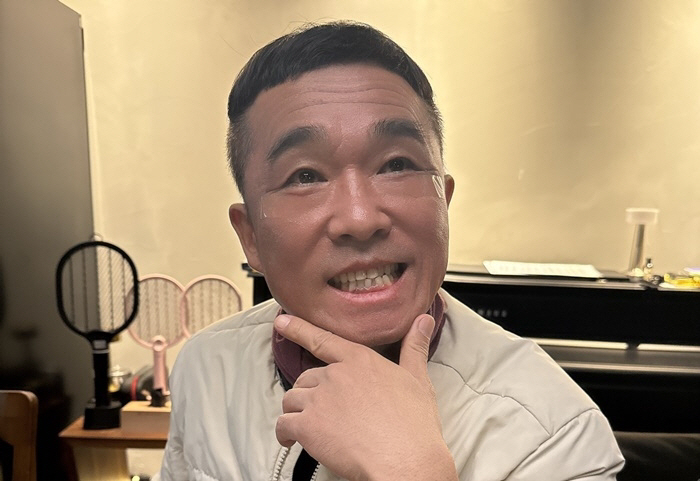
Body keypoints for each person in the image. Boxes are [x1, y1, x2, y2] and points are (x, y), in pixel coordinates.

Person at [160, 21, 624, 481]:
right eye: (305, 176)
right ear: (251, 238)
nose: (360, 218)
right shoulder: (206, 369)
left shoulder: (555, 437)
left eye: (396, 164)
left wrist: (412, 470)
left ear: (443, 201)